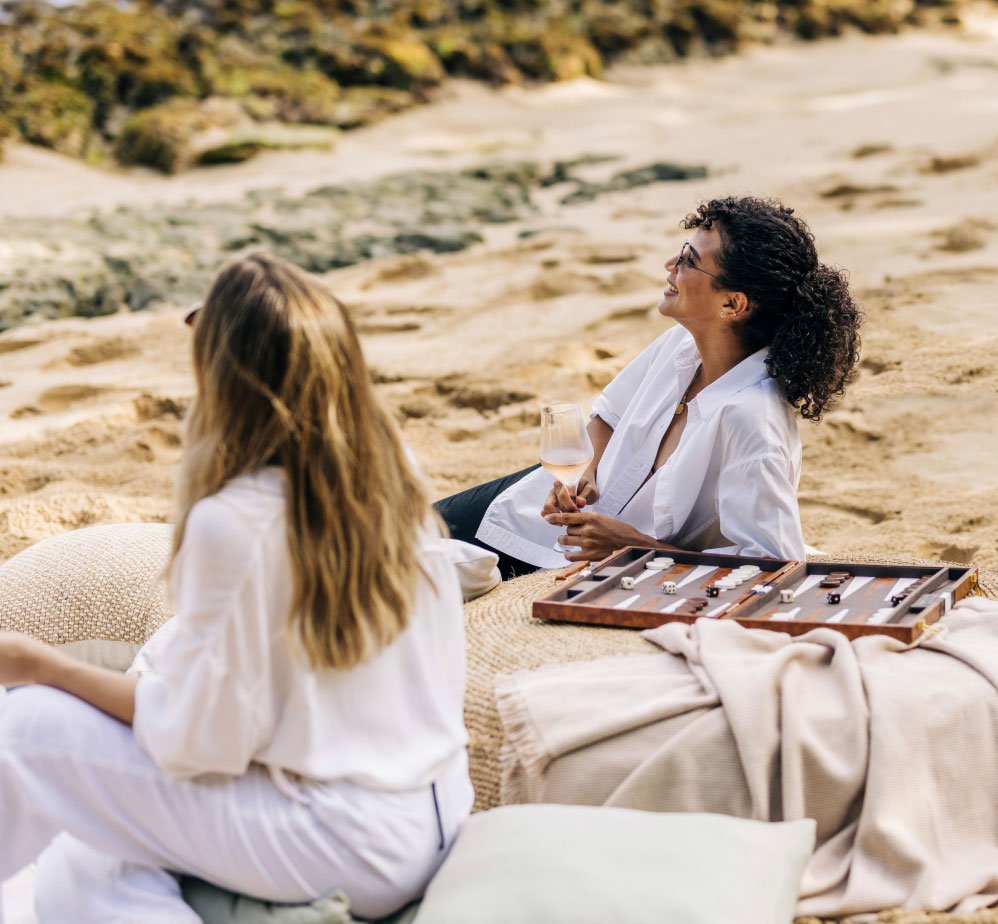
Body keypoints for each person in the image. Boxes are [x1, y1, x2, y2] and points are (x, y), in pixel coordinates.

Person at [0, 253, 472, 922]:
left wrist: (40, 666)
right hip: (433, 810)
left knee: (24, 729)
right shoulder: (392, 479)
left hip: (340, 835)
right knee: (86, 862)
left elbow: (201, 742)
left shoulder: (235, 522)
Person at [437, 195, 863, 578]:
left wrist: (633, 547)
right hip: (530, 516)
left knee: (410, 568)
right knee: (398, 532)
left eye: (690, 261)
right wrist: (580, 478)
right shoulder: (683, 343)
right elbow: (608, 417)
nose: (671, 266)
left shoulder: (752, 421)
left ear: (732, 304)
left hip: (596, 569)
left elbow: (775, 565)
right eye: (682, 252)